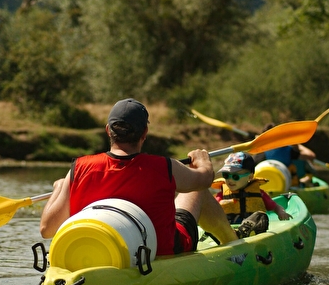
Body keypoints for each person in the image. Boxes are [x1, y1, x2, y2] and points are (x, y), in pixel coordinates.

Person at [40, 98, 239, 256]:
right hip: (162, 252)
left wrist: (59, 188)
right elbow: (204, 179)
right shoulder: (165, 167)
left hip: (97, 252)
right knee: (199, 191)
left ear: (108, 130)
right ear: (144, 132)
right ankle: (234, 243)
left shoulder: (79, 168)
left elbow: (47, 229)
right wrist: (202, 160)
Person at [212, 151, 292, 238]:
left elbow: (275, 206)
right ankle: (234, 235)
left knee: (260, 216)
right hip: (229, 230)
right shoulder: (222, 195)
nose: (230, 180)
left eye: (235, 176)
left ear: (250, 177)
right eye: (226, 175)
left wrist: (281, 212)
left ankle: (241, 233)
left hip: (252, 232)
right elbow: (211, 209)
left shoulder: (259, 194)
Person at [259, 123, 316, 187]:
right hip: (289, 185)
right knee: (309, 172)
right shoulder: (288, 150)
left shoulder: (261, 151)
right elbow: (311, 156)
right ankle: (305, 181)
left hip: (271, 184)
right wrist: (293, 142)